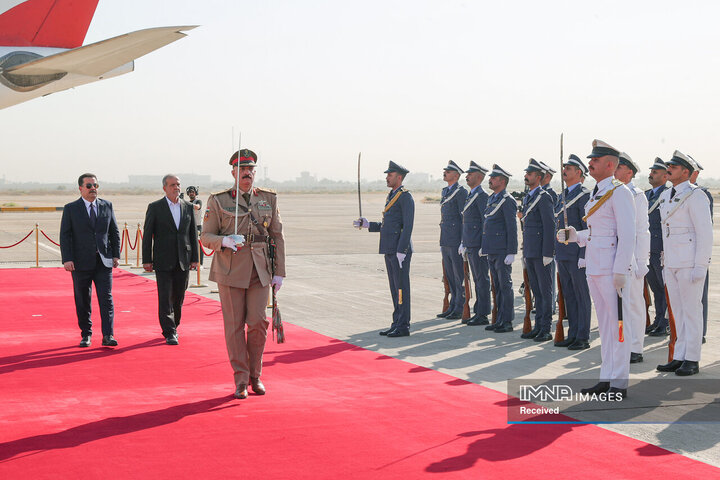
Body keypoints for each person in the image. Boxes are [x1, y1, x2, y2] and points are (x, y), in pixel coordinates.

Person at [200, 149, 286, 399]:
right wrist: (224, 240)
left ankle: (255, 375)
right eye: (242, 170)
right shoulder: (219, 200)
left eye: (250, 169)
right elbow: (206, 236)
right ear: (233, 173)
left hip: (260, 269)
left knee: (259, 322)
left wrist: (279, 272)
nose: (247, 173)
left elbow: (277, 236)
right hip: (230, 270)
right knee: (235, 326)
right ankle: (240, 379)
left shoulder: (268, 199)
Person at [557, 140, 635, 399]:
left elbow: (627, 235)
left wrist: (621, 269)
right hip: (595, 266)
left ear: (610, 165)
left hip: (612, 269)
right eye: (590, 160)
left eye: (596, 160)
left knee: (619, 326)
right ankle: (606, 377)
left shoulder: (620, 192)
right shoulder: (597, 192)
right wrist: (574, 235)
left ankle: (619, 383)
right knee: (604, 326)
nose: (590, 163)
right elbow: (596, 233)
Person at [656, 151, 712, 376]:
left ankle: (692, 358)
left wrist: (701, 265)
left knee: (692, 311)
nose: (668, 168)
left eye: (674, 166)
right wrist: (664, 261)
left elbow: (705, 233)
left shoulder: (695, 196)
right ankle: (679, 356)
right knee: (677, 312)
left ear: (686, 172)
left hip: (689, 262)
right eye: (669, 165)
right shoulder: (665, 195)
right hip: (671, 262)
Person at [59, 173, 120, 347]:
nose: (93, 189)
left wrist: (115, 255)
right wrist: (67, 259)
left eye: (95, 186)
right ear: (80, 188)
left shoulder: (107, 206)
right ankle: (86, 334)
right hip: (80, 262)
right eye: (89, 186)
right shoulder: (71, 209)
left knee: (106, 299)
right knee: (83, 299)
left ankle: (108, 335)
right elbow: (65, 235)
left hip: (104, 262)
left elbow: (114, 232)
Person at [355, 161, 414, 337]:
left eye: (390, 175)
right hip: (389, 248)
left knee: (402, 288)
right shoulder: (392, 195)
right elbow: (388, 225)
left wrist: (402, 250)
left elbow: (408, 226)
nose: (387, 178)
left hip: (399, 250)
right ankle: (396, 322)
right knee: (394, 288)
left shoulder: (405, 197)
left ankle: (403, 325)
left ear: (399, 177)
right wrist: (368, 225)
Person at [142, 175, 199, 345]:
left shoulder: (188, 207)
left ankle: (175, 324)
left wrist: (195, 258)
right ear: (165, 188)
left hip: (184, 259)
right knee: (165, 296)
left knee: (179, 296)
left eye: (178, 184)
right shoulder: (155, 207)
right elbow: (147, 235)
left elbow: (192, 234)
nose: (176, 187)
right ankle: (169, 331)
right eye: (172, 185)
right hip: (163, 259)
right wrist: (147, 259)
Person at [553, 154, 591, 350]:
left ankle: (583, 336)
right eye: (564, 167)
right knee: (568, 295)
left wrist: (584, 255)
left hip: (577, 254)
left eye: (569, 168)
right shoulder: (563, 195)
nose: (564, 170)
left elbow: (588, 227)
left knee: (581, 296)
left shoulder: (584, 195)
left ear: (579, 172)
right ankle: (573, 333)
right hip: (563, 254)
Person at [615, 153, 650, 364]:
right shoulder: (613, 193)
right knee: (619, 307)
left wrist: (642, 260)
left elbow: (642, 230)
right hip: (616, 256)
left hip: (633, 260)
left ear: (629, 172)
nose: (615, 171)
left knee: (635, 304)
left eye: (619, 168)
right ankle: (622, 343)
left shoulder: (637, 195)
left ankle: (635, 347)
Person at [519, 159, 555, 342]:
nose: (526, 176)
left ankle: (546, 328)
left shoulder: (543, 197)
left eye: (530, 174)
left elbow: (550, 226)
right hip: (531, 251)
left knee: (545, 291)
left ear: (538, 177)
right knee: (536, 292)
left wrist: (548, 252)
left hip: (541, 253)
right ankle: (538, 326)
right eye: (526, 173)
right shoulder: (529, 198)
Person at [482, 164, 517, 333]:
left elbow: (511, 228)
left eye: (494, 178)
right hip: (492, 249)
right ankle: (499, 318)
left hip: (503, 250)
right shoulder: (492, 198)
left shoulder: (507, 200)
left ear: (502, 181)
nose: (490, 180)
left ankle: (507, 320)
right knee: (496, 286)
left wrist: (511, 251)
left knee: (505, 286)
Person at [459, 161, 491, 326]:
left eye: (470, 174)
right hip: (470, 243)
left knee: (481, 279)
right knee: (477, 279)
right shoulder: (471, 195)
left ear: (478, 177)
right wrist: (464, 242)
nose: (467, 176)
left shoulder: (481, 196)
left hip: (478, 245)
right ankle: (478, 310)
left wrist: (483, 246)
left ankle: (483, 312)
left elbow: (484, 223)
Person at [437, 160, 468, 320]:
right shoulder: (446, 191)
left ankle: (460, 306)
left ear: (456, 175)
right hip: (446, 239)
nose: (445, 173)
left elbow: (464, 218)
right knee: (449, 275)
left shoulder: (460, 192)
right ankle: (453, 305)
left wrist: (463, 241)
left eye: (448, 172)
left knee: (458, 275)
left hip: (456, 240)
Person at [688, 158, 712, 343]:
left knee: (699, 298)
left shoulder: (701, 194)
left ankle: (700, 333)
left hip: (696, 254)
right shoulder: (672, 195)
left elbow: (704, 229)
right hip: (678, 256)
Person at [645, 158, 669, 336]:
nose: (651, 174)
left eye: (655, 172)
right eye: (651, 171)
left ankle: (666, 322)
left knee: (664, 287)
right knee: (655, 288)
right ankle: (658, 319)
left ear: (665, 175)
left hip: (661, 249)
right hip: (648, 249)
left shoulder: (668, 195)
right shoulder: (646, 195)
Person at [186, 185, 204, 266]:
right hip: (189, 226)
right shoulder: (187, 203)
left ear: (195, 193)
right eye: (189, 192)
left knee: (199, 245)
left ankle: (200, 264)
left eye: (192, 192)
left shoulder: (198, 201)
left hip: (198, 226)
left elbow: (197, 207)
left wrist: (185, 203)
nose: (191, 194)